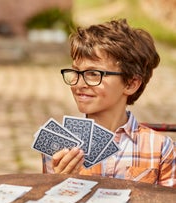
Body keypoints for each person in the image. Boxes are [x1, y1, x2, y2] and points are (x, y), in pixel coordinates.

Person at [42, 18, 176, 188]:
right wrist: (59, 184)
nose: (79, 84)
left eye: (93, 74)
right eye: (76, 72)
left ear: (131, 83)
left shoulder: (161, 149)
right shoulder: (59, 145)